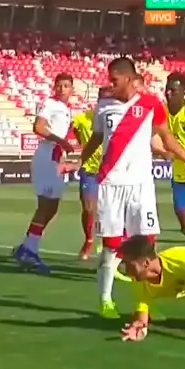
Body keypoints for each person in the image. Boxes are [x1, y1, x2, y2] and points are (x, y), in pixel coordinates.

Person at [77, 57, 185, 319]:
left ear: (129, 78)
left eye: (114, 79)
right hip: (110, 183)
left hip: (141, 185)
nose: (111, 84)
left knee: (146, 246)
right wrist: (78, 161)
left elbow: (168, 139)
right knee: (110, 245)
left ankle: (144, 307)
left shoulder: (151, 104)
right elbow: (96, 139)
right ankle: (105, 299)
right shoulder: (104, 107)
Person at [12, 73, 76, 273]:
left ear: (72, 89)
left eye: (66, 86)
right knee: (46, 205)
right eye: (59, 85)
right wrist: (61, 141)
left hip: (55, 158)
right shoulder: (50, 104)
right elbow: (38, 127)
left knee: (51, 207)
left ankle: (27, 246)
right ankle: (30, 250)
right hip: (47, 157)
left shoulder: (65, 109)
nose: (62, 89)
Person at [116, 235, 185, 341]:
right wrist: (141, 328)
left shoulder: (182, 261)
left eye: (129, 264)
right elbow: (142, 308)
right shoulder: (139, 282)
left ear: (146, 263)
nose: (126, 271)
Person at [69, 86, 113, 260]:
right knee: (88, 208)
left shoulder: (117, 119)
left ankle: (111, 244)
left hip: (110, 171)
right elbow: (76, 132)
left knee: (111, 210)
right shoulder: (82, 119)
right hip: (90, 170)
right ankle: (88, 240)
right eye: (103, 100)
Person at [164, 72, 185, 243]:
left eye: (173, 91)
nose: (168, 94)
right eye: (167, 90)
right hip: (180, 175)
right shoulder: (161, 112)